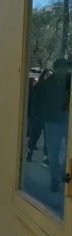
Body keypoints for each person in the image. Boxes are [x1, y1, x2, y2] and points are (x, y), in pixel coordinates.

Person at [34, 58, 72, 192]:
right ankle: (54, 179)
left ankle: (61, 174)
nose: (65, 69)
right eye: (62, 67)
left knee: (70, 151)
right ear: (55, 69)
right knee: (53, 153)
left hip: (68, 121)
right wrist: (46, 114)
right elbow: (38, 101)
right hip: (52, 122)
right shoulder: (46, 84)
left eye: (66, 67)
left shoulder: (69, 81)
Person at [26, 69, 52, 166]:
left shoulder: (53, 88)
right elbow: (31, 101)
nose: (49, 77)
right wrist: (30, 115)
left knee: (48, 138)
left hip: (48, 117)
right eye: (47, 75)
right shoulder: (37, 87)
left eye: (50, 75)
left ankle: (46, 158)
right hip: (37, 116)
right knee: (34, 137)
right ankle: (29, 152)